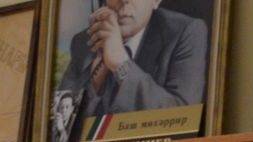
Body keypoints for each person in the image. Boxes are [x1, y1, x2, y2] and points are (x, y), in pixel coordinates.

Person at [51, 0, 209, 126]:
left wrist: (121, 64)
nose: (124, 1)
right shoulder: (85, 41)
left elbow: (184, 119)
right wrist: (98, 70)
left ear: (156, 1)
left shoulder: (187, 32)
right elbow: (60, 132)